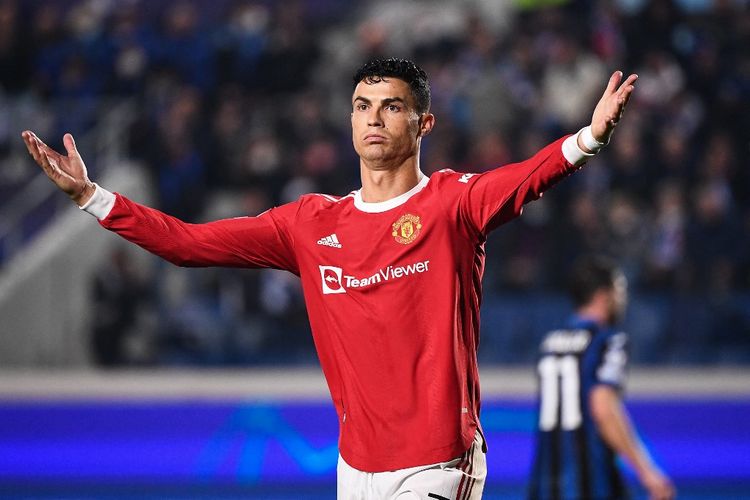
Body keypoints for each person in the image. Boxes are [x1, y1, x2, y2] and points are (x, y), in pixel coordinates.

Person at [23, 57, 637, 499]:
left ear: (423, 124)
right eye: (363, 107)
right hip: (355, 468)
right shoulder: (310, 224)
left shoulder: (453, 203)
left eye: (392, 107)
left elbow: (528, 176)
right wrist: (92, 197)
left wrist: (589, 138)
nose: (374, 119)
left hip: (436, 460)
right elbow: (188, 244)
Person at [528, 256, 675, 500]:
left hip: (545, 484)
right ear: (602, 295)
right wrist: (647, 471)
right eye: (620, 291)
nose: (623, 299)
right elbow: (602, 406)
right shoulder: (608, 341)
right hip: (591, 483)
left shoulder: (550, 343)